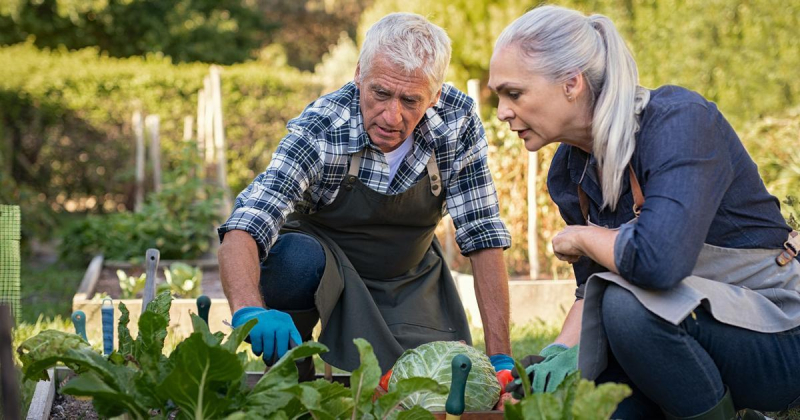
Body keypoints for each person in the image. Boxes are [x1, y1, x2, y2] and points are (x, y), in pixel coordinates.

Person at [489, 5, 800, 419]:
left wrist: (582, 237)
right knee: (593, 391)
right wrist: (557, 356)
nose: (502, 112)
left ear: (571, 83)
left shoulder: (679, 123)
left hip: (777, 330)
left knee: (624, 309)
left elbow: (659, 261)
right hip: (680, 329)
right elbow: (591, 290)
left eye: (514, 93)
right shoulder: (568, 172)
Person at [217, 12, 515, 384]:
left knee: (425, 387)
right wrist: (249, 309)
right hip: (326, 268)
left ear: (435, 95)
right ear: (359, 73)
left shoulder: (457, 120)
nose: (392, 116)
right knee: (292, 259)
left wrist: (501, 355)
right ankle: (292, 371)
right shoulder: (324, 127)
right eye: (380, 93)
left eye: (410, 100)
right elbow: (248, 221)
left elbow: (482, 232)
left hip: (408, 275)